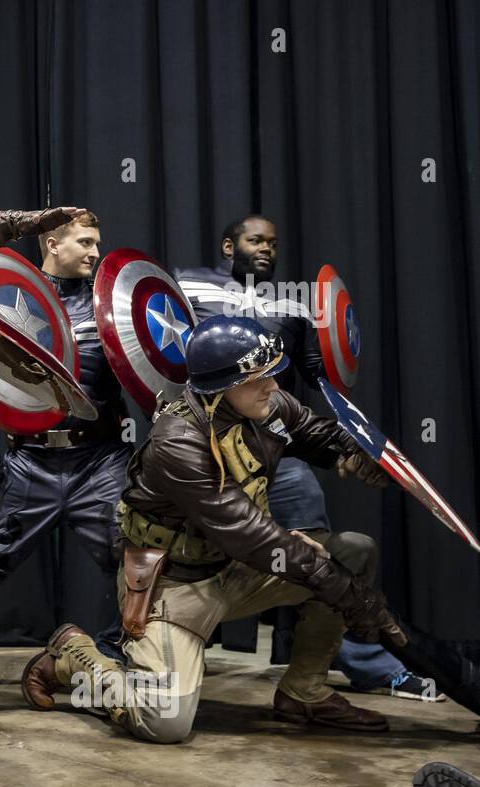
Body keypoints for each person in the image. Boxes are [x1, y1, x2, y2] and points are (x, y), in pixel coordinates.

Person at [19, 314, 403, 742]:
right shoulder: (178, 441)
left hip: (237, 569)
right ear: (221, 387)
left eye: (274, 375)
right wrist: (350, 595)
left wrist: (357, 455)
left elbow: (318, 434)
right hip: (177, 585)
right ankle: (76, 657)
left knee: (354, 551)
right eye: (259, 379)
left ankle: (304, 692)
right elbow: (248, 532)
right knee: (164, 722)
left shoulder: (268, 406)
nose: (274, 387)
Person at [176, 215, 437, 701]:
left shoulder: (294, 301)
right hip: (207, 449)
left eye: (273, 243)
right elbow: (157, 348)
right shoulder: (186, 283)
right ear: (229, 245)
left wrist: (352, 443)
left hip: (277, 450)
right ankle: (128, 643)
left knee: (329, 554)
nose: (267, 250)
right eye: (256, 241)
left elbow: (322, 375)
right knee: (169, 550)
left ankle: (364, 666)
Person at [0, 211, 132, 719]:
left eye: (99, 242)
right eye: (86, 242)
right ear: (52, 243)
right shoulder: (10, 303)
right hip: (29, 461)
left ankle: (110, 668)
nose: (97, 253)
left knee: (134, 568)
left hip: (101, 460)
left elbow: (154, 374)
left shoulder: (114, 310)